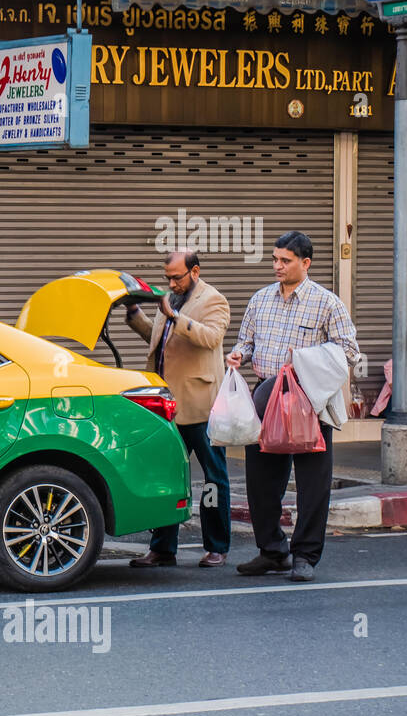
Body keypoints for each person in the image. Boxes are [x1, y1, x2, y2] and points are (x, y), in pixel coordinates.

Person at [227, 231, 360, 582]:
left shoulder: (327, 303)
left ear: (306, 263)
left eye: (285, 261)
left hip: (308, 402)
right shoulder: (260, 299)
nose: (277, 266)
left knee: (312, 483)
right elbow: (248, 340)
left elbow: (349, 352)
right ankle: (272, 551)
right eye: (274, 259)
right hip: (266, 398)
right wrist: (240, 353)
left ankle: (305, 557)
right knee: (260, 482)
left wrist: (304, 361)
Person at [125, 249, 232, 569]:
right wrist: (135, 316)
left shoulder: (214, 300)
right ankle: (162, 549)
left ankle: (216, 546)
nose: (171, 283)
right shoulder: (171, 300)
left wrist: (173, 315)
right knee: (167, 477)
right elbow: (160, 341)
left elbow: (211, 338)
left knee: (213, 479)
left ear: (195, 271)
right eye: (167, 278)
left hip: (200, 403)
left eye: (177, 277)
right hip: (167, 405)